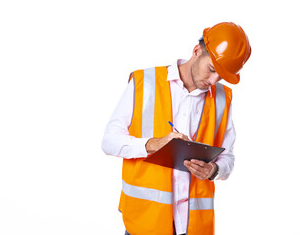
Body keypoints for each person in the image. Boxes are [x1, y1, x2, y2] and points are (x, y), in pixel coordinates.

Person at [101, 22, 251, 235]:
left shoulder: (221, 98)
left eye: (222, 76)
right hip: (146, 223)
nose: (213, 80)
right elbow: (109, 141)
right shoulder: (145, 83)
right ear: (197, 51)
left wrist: (213, 170)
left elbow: (228, 158)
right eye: (211, 70)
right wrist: (152, 144)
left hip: (193, 227)